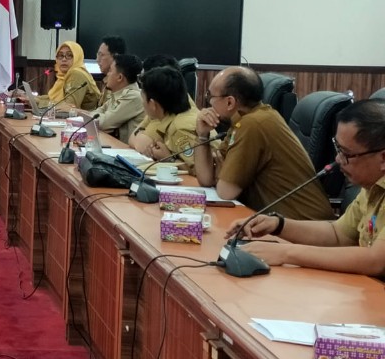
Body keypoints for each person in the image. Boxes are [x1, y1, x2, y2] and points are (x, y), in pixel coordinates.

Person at [227, 99, 385, 276]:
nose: (338, 159)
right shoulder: (372, 186)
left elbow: (376, 261)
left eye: (346, 153)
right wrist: (277, 225)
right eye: (338, 149)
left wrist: (286, 253)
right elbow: (337, 234)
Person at [194, 66, 332, 219]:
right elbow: (206, 178)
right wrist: (202, 135)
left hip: (304, 225)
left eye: (210, 96)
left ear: (230, 102)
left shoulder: (252, 124)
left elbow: (225, 192)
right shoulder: (244, 120)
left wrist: (221, 174)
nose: (209, 103)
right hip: (278, 221)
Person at [129, 65, 199, 170]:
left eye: (143, 99)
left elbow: (199, 171)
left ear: (153, 104)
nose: (142, 103)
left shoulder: (180, 128)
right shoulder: (171, 116)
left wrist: (169, 159)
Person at [79, 53, 144, 142]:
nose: (107, 74)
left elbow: (103, 123)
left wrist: (84, 114)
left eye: (110, 71)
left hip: (126, 149)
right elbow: (97, 113)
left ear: (119, 77)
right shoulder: (118, 93)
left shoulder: (133, 97)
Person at [39, 41, 100, 112]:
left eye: (70, 55)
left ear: (77, 57)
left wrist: (39, 103)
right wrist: (34, 99)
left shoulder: (77, 74)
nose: (64, 59)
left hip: (83, 118)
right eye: (60, 55)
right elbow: (52, 98)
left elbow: (68, 107)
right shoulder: (63, 77)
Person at [95, 35, 127, 107]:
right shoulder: (106, 80)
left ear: (115, 56)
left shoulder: (120, 82)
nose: (97, 60)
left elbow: (108, 112)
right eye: (98, 55)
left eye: (101, 55)